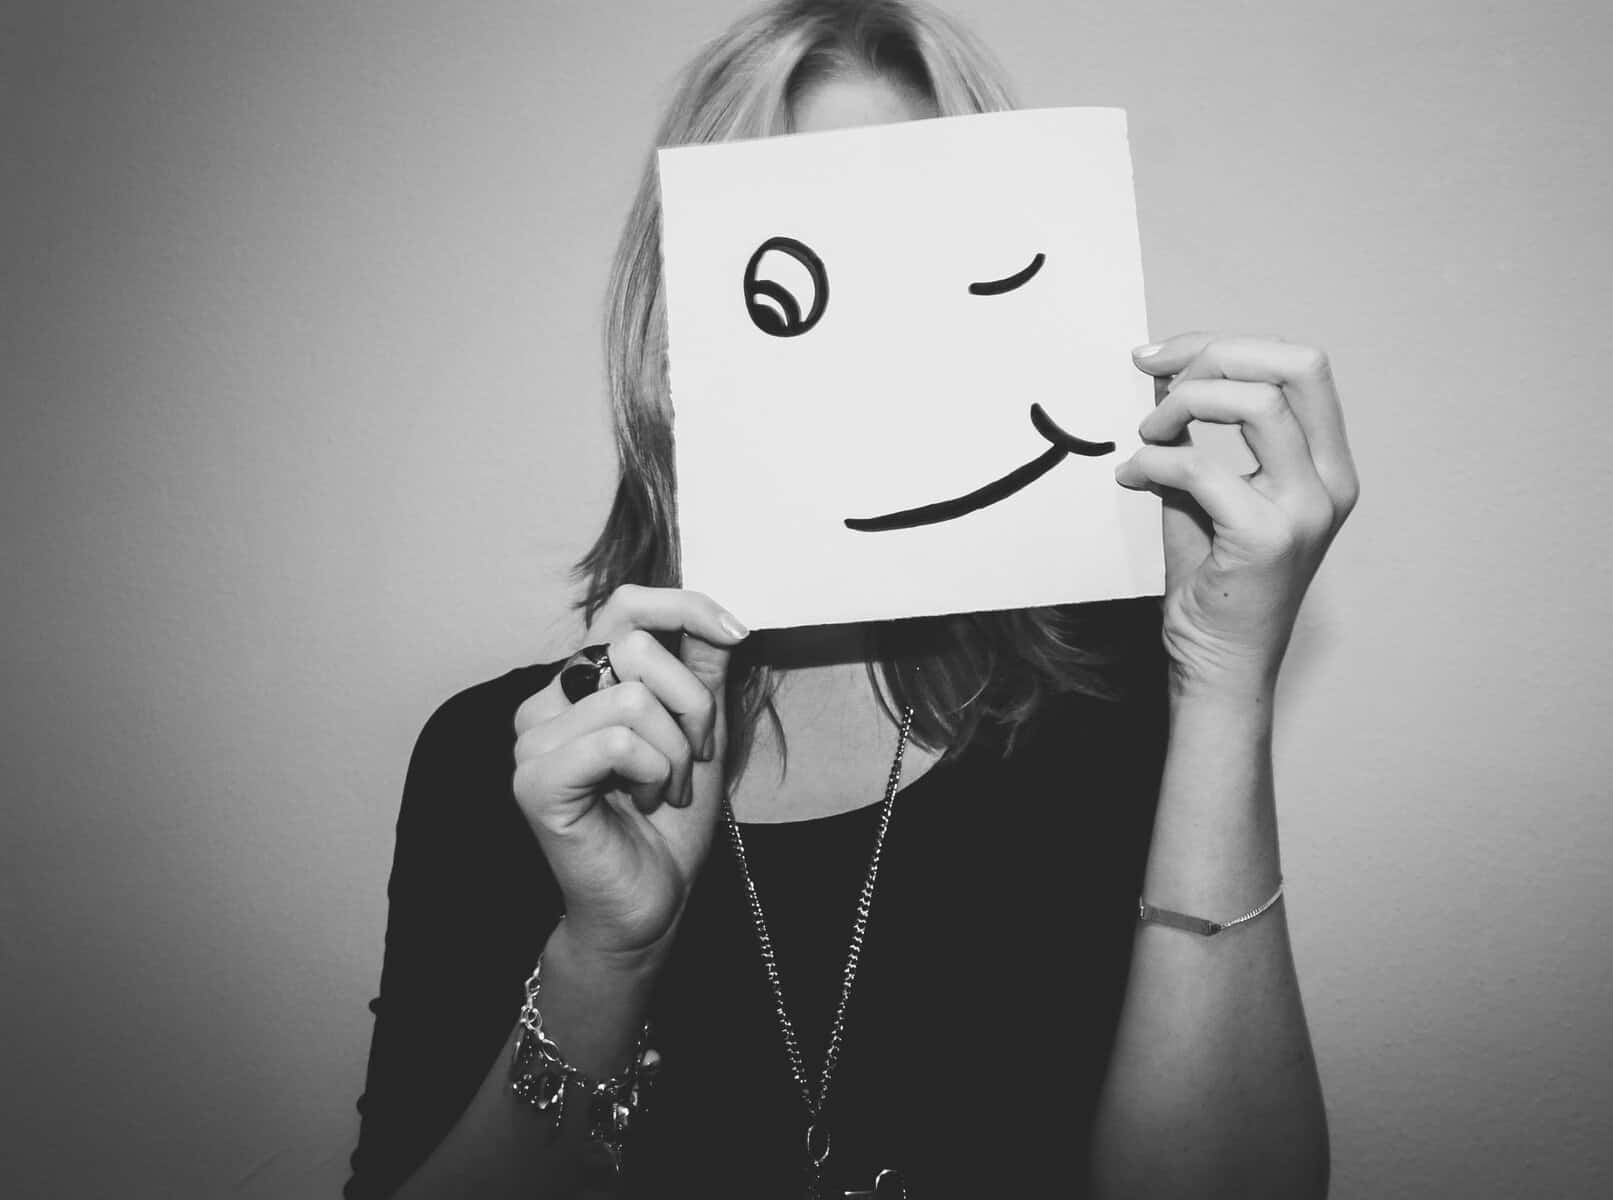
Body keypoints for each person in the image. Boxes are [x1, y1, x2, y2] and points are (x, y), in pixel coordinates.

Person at [346, 1, 1357, 1196]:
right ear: (666, 345)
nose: (885, 354)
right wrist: (606, 958)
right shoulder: (518, 768)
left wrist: (1225, 686)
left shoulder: (1125, 692)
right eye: (784, 291)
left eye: (954, 265)